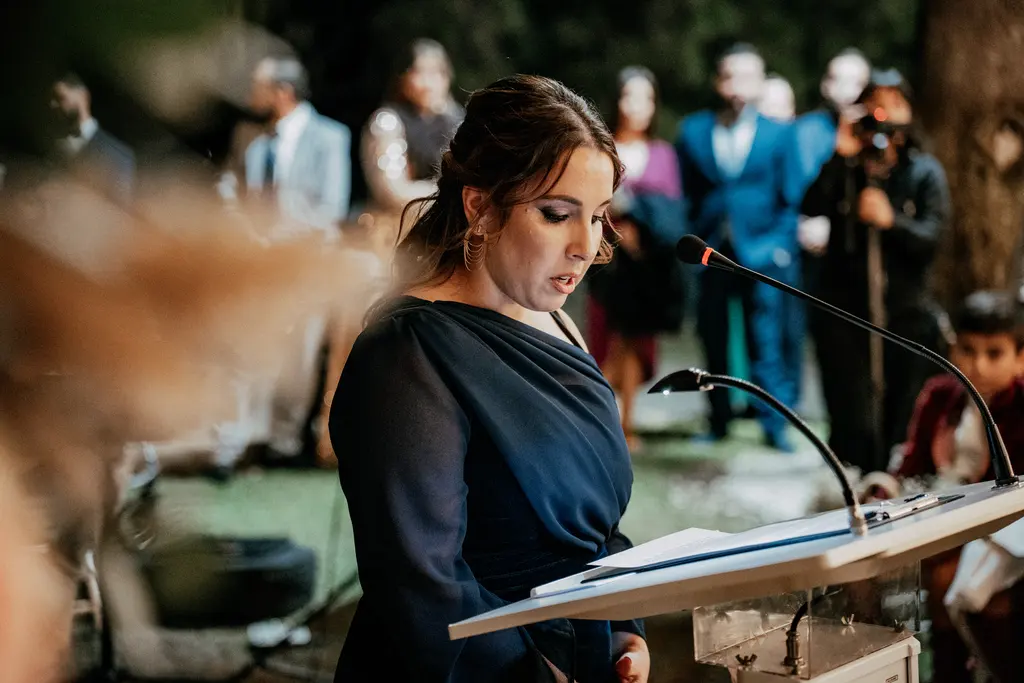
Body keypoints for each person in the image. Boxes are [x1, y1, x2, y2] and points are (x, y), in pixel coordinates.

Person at [329, 74, 649, 683]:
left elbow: (593, 528)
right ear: (480, 205)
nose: (586, 245)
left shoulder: (555, 318)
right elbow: (419, 580)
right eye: (557, 215)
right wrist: (534, 675)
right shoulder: (407, 350)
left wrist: (625, 630)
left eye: (600, 216)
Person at [802, 68, 951, 473]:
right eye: (874, 104)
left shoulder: (923, 172)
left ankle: (894, 478)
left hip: (903, 313)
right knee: (850, 408)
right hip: (845, 311)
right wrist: (840, 155)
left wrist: (892, 222)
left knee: (898, 406)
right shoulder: (847, 167)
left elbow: (933, 238)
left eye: (893, 104)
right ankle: (856, 478)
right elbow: (810, 204)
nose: (883, 115)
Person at [885, 290, 1024, 683]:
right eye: (967, 349)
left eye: (994, 353)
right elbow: (910, 465)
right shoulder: (939, 395)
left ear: (1021, 357)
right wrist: (881, 493)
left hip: (1003, 527)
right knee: (865, 572)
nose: (978, 365)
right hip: (940, 515)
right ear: (952, 348)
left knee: (947, 579)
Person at [675, 43, 803, 450]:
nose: (737, 87)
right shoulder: (694, 131)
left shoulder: (780, 134)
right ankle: (717, 420)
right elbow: (688, 195)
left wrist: (778, 246)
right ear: (718, 81)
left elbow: (790, 197)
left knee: (764, 340)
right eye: (730, 76)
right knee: (712, 336)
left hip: (760, 251)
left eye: (747, 77)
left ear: (761, 82)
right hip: (711, 250)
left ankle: (774, 425)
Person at [589, 66, 685, 449]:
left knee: (636, 343)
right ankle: (602, 418)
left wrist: (646, 233)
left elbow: (673, 211)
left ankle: (627, 422)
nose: (637, 106)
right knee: (605, 340)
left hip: (647, 267)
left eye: (646, 98)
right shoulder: (602, 147)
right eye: (630, 96)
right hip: (606, 259)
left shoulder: (663, 154)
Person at [359, 38, 465, 253]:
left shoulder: (458, 121)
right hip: (399, 232)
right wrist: (451, 193)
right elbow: (392, 190)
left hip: (451, 233)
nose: (429, 83)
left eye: (437, 73)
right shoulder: (387, 122)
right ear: (403, 77)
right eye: (420, 73)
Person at [244, 55, 351, 240]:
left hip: (312, 253)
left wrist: (285, 237)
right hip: (258, 255)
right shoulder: (255, 145)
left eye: (260, 87)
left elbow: (333, 208)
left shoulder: (330, 137)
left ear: (284, 92)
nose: (251, 95)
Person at [51, 72, 135, 204]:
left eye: (61, 98)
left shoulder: (118, 155)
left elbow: (120, 211)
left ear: (83, 96)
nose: (53, 105)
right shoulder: (52, 150)